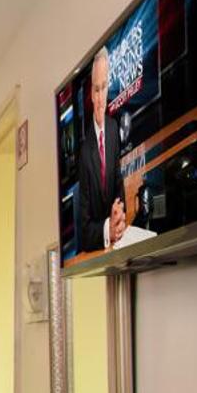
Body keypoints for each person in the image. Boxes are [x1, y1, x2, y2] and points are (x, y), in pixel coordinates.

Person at [79, 48, 123, 247]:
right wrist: (108, 230)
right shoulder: (84, 150)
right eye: (96, 90)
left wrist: (119, 213)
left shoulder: (113, 128)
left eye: (104, 87)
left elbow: (118, 182)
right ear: (91, 93)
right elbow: (85, 231)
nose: (100, 98)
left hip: (119, 241)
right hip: (99, 246)